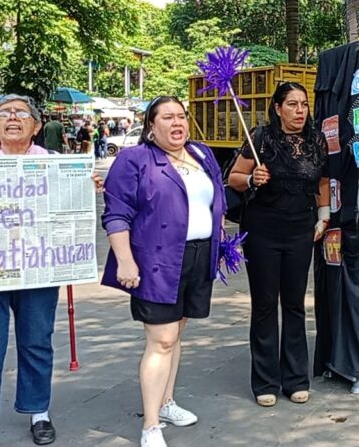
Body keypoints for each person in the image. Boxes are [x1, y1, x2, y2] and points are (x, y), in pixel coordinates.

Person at [0, 94, 104, 447]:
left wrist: (87, 187)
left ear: (37, 125)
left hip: (38, 268)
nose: (12, 118)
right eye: (4, 113)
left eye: (21, 113)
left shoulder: (57, 165)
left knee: (37, 342)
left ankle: (38, 411)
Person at [101, 96, 226, 447]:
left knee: (177, 332)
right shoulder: (134, 159)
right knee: (162, 339)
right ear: (151, 126)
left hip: (198, 256)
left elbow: (217, 199)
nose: (177, 123)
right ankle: (151, 424)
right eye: (167, 117)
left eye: (181, 116)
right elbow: (116, 213)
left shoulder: (202, 154)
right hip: (157, 260)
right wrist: (125, 260)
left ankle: (166, 401)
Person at [227, 82, 330, 408]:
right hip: (262, 231)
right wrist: (251, 178)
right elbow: (234, 177)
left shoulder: (316, 140)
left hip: (301, 229)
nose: (300, 111)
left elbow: (322, 180)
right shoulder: (260, 138)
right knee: (265, 304)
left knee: (295, 304)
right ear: (277, 108)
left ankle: (296, 379)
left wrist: (324, 215)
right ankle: (265, 381)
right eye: (292, 104)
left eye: (303, 104)